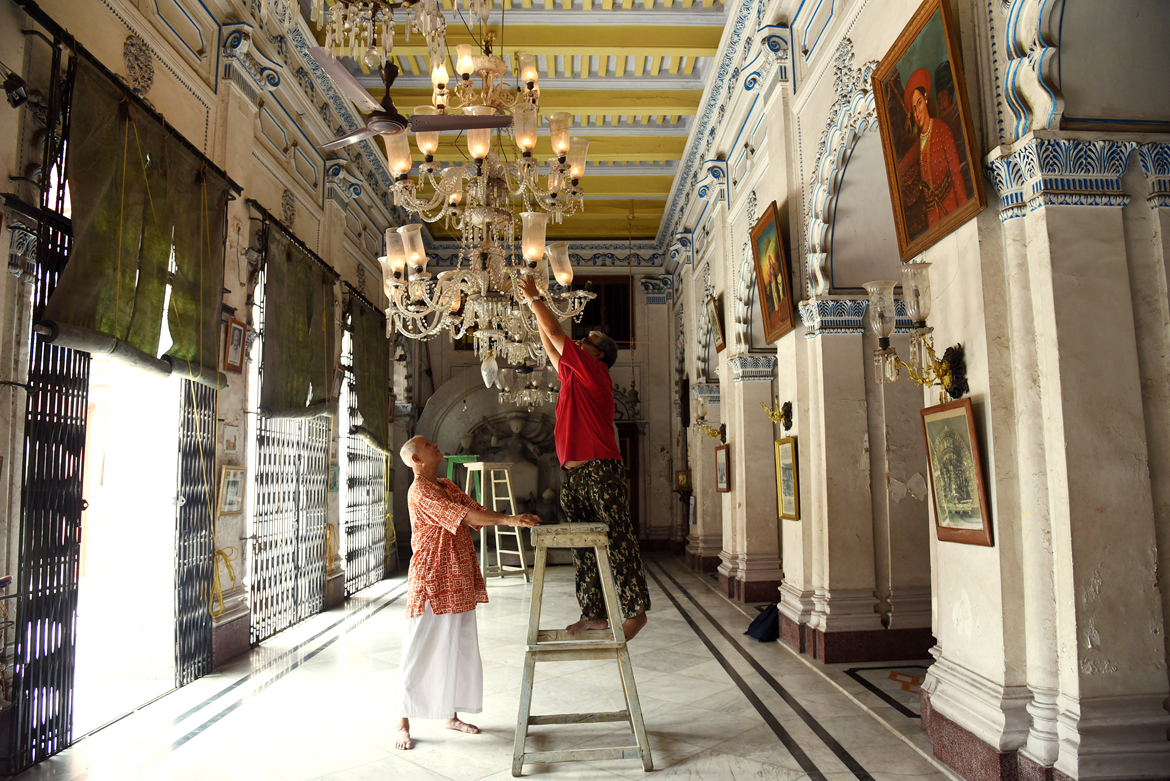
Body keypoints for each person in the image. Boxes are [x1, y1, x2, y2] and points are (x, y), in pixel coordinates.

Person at [518, 274, 651, 642]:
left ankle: (635, 612)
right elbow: (552, 345)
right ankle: (594, 613)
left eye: (587, 341)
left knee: (617, 539)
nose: (579, 341)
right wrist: (536, 308)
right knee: (582, 544)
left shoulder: (596, 373)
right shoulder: (574, 374)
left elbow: (559, 338)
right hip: (574, 474)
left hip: (601, 469)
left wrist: (535, 300)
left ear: (599, 355)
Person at [394, 435, 541, 751]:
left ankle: (451, 715)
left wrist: (511, 517)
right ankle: (402, 723)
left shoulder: (446, 485)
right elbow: (465, 517)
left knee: (457, 649)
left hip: (457, 578)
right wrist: (512, 520)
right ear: (417, 460)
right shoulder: (420, 491)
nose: (435, 446)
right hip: (431, 582)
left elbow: (475, 509)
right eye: (428, 446)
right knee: (417, 649)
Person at [896, 68, 968, 237]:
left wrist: (965, 211)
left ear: (926, 100)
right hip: (933, 218)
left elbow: (956, 174)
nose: (917, 112)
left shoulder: (942, 130)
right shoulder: (919, 142)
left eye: (919, 103)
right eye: (913, 108)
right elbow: (900, 169)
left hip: (951, 205)